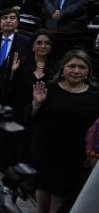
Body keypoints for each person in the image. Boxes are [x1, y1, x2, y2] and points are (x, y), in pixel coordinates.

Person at [30, 50, 99, 213]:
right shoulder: (49, 89)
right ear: (63, 68)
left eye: (82, 67)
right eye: (71, 66)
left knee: (59, 202)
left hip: (75, 156)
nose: (76, 71)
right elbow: (33, 121)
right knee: (42, 199)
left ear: (88, 71)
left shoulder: (95, 96)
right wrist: (37, 104)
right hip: (46, 151)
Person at [6, 30, 54, 163]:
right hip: (19, 114)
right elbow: (9, 91)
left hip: (41, 118)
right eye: (39, 43)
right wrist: (11, 73)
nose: (43, 46)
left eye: (47, 43)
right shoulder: (21, 64)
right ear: (32, 46)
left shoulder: (56, 70)